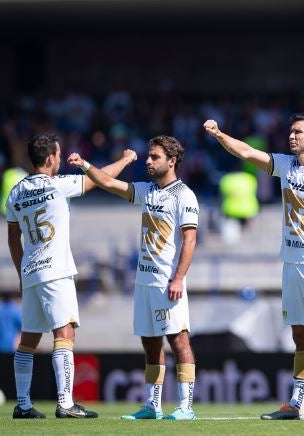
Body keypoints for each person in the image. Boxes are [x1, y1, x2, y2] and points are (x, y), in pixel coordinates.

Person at [204, 113, 304, 421]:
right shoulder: (286, 165)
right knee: (300, 335)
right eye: (291, 131)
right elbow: (245, 151)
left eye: (298, 131)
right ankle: (298, 404)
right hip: (292, 264)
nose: (291, 136)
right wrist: (219, 134)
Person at [68, 135, 199, 421]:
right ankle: (153, 405)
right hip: (143, 282)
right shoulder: (147, 190)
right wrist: (85, 165)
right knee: (150, 343)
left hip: (167, 282)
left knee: (179, 341)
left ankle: (186, 406)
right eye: (148, 157)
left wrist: (178, 278)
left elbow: (190, 241)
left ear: (172, 160)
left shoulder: (184, 195)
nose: (149, 161)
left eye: (155, 157)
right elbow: (108, 183)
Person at [5, 133, 136, 419]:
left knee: (28, 338)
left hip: (30, 271)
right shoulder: (57, 186)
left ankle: (23, 404)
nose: (61, 159)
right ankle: (65, 403)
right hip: (56, 269)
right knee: (65, 333)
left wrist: (20, 272)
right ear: (50, 158)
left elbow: (13, 238)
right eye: (59, 155)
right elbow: (99, 180)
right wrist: (125, 160)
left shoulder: (14, 192)